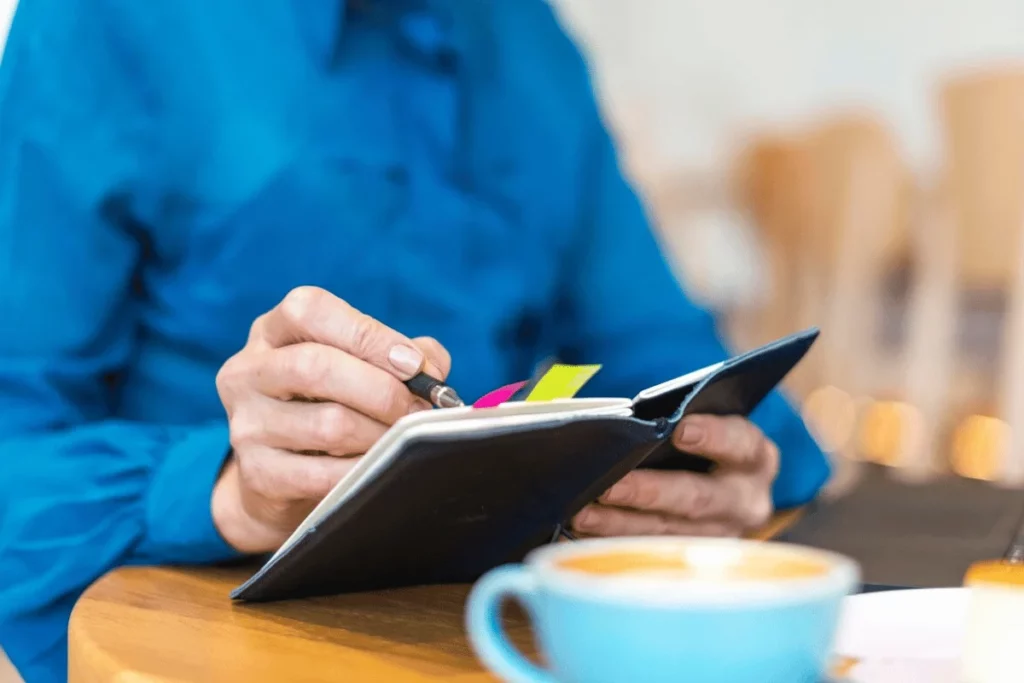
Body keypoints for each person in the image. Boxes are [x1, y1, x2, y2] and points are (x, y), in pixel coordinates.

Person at [0, 1, 830, 680]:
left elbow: (665, 353)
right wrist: (230, 489)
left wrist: (724, 466)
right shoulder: (101, 23)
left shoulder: (532, 43)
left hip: (507, 637)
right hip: (201, 640)